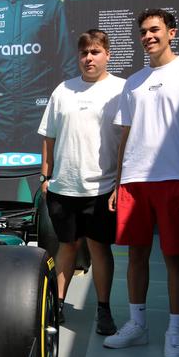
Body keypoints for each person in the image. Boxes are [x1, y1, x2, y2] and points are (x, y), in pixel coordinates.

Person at [104, 9, 179, 357]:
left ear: (172, 32)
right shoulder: (133, 81)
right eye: (143, 31)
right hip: (133, 183)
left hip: (172, 182)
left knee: (173, 258)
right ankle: (138, 326)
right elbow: (126, 136)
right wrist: (117, 182)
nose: (148, 36)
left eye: (154, 30)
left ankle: (175, 331)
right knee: (135, 256)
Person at [37, 29, 125, 334]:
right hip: (63, 188)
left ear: (107, 55)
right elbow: (49, 136)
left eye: (95, 52)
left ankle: (103, 310)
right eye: (84, 52)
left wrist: (121, 184)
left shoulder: (121, 91)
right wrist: (46, 176)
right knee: (67, 246)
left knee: (99, 249)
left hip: (102, 189)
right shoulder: (63, 90)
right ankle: (57, 307)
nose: (89, 58)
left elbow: (130, 140)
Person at [0, 0, 77, 154]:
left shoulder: (54, 2)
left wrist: (69, 102)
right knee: (1, 177)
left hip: (40, 110)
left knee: (42, 177)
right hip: (1, 113)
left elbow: (69, 58)